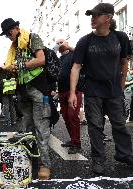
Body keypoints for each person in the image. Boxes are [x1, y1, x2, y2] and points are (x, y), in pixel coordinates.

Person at [69, 3, 133, 175]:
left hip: (114, 91)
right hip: (93, 91)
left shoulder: (120, 38)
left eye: (96, 16)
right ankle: (98, 160)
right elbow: (76, 67)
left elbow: (124, 63)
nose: (92, 19)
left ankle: (124, 154)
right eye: (91, 16)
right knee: (95, 126)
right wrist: (73, 93)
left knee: (120, 124)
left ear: (107, 18)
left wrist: (120, 87)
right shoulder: (85, 41)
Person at [0, 18, 52, 180]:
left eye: (9, 33)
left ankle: (45, 165)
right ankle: (30, 159)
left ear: (16, 28)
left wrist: (20, 65)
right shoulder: (14, 48)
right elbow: (15, 70)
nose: (8, 37)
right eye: (6, 35)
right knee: (27, 129)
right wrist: (7, 70)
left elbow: (41, 60)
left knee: (41, 129)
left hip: (38, 91)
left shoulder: (32, 38)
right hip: (23, 93)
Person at [56, 39, 83, 154]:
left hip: (74, 91)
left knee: (72, 116)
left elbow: (83, 55)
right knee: (66, 117)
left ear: (67, 43)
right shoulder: (59, 59)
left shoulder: (74, 54)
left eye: (61, 42)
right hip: (62, 92)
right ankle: (73, 140)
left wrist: (68, 47)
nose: (59, 44)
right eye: (57, 43)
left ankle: (76, 143)